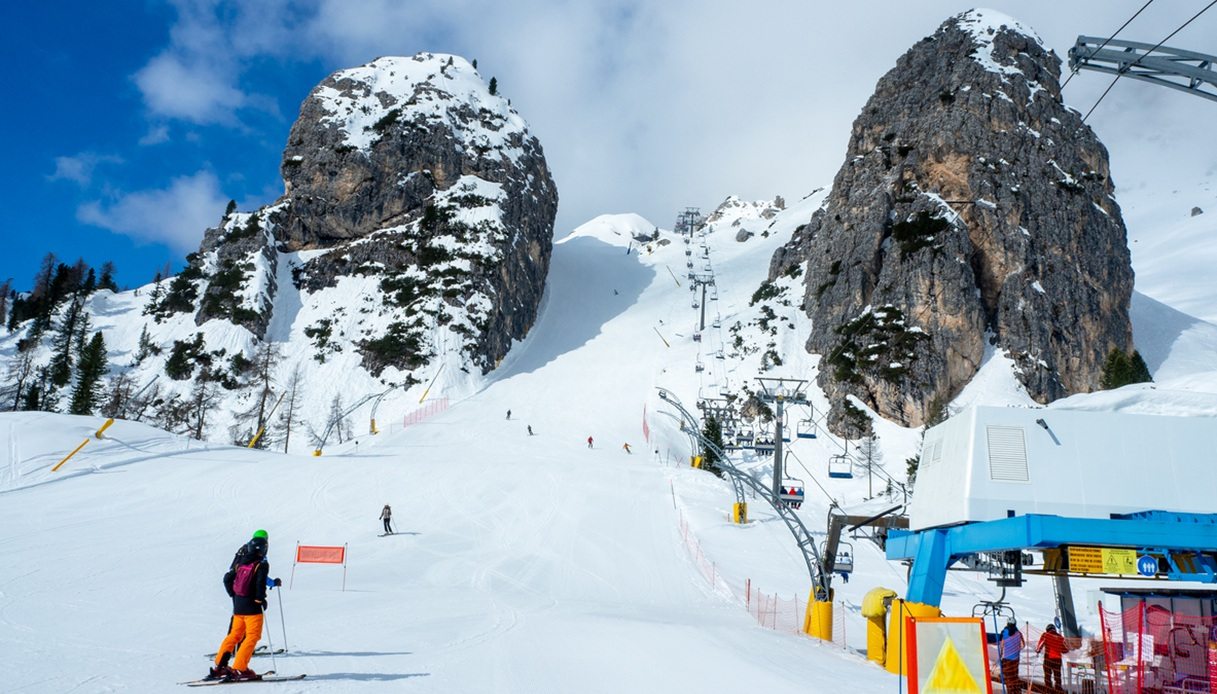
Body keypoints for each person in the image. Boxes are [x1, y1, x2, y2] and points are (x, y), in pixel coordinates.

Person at [208, 530, 280, 682]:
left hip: (238, 605)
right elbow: (260, 583)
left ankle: (219, 666)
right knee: (252, 636)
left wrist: (234, 595)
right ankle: (240, 668)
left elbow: (228, 578)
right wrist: (260, 600)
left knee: (234, 635)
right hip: (252, 607)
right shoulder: (262, 562)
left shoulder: (242, 558)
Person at [1036, 623, 1067, 692]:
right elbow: (1064, 650)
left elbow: (1040, 645)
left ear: (1047, 629)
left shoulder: (1045, 635)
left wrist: (1038, 650)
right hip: (1058, 660)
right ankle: (1058, 690)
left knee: (1047, 676)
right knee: (1057, 677)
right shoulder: (1060, 637)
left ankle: (1048, 691)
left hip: (1048, 659)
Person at [999, 617, 1025, 694]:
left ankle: (1011, 692)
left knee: (1008, 677)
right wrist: (1017, 649)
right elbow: (1023, 645)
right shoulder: (1019, 633)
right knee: (1014, 676)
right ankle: (1017, 692)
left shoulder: (1004, 632)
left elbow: (1001, 645)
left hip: (1007, 658)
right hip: (1016, 659)